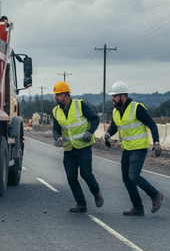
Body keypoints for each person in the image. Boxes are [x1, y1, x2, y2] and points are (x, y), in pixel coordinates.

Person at [104, 81, 164, 216]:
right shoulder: (115, 111)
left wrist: (157, 143)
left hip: (139, 148)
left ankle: (155, 195)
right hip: (126, 149)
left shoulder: (137, 108)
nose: (112, 99)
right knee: (126, 179)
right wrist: (107, 135)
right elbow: (114, 126)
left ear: (122, 96)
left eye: (114, 96)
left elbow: (152, 125)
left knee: (133, 175)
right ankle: (138, 207)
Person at [52, 81, 104, 212]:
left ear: (65, 95)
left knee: (86, 173)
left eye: (58, 95)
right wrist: (57, 137)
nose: (56, 98)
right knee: (71, 177)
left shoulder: (80, 105)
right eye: (55, 95)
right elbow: (56, 129)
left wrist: (90, 131)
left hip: (83, 147)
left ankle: (96, 192)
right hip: (69, 149)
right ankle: (81, 203)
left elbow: (95, 119)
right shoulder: (56, 111)